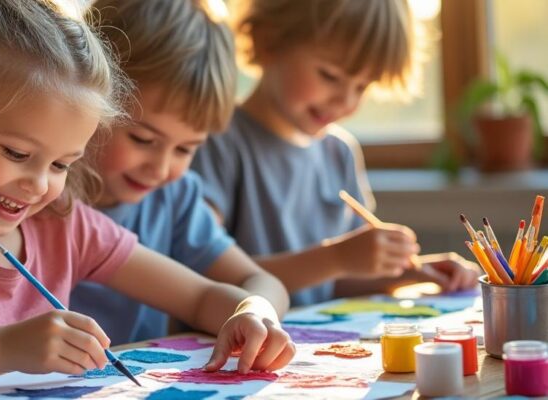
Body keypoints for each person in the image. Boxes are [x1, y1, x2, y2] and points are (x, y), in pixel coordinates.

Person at [0, 0, 295, 391]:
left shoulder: (64, 225)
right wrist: (1, 348)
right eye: (18, 153)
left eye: (62, 164)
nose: (41, 185)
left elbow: (205, 296)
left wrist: (250, 313)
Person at [191, 0, 479, 306]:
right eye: (330, 76)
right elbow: (203, 274)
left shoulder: (339, 153)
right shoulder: (214, 142)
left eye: (363, 86)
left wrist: (413, 273)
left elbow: (336, 280)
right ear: (267, 40)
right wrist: (337, 257)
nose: (346, 101)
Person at [70, 0, 289, 346]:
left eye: (185, 149)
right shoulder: (37, 195)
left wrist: (253, 313)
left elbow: (261, 281)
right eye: (143, 139)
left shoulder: (175, 197)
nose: (160, 168)